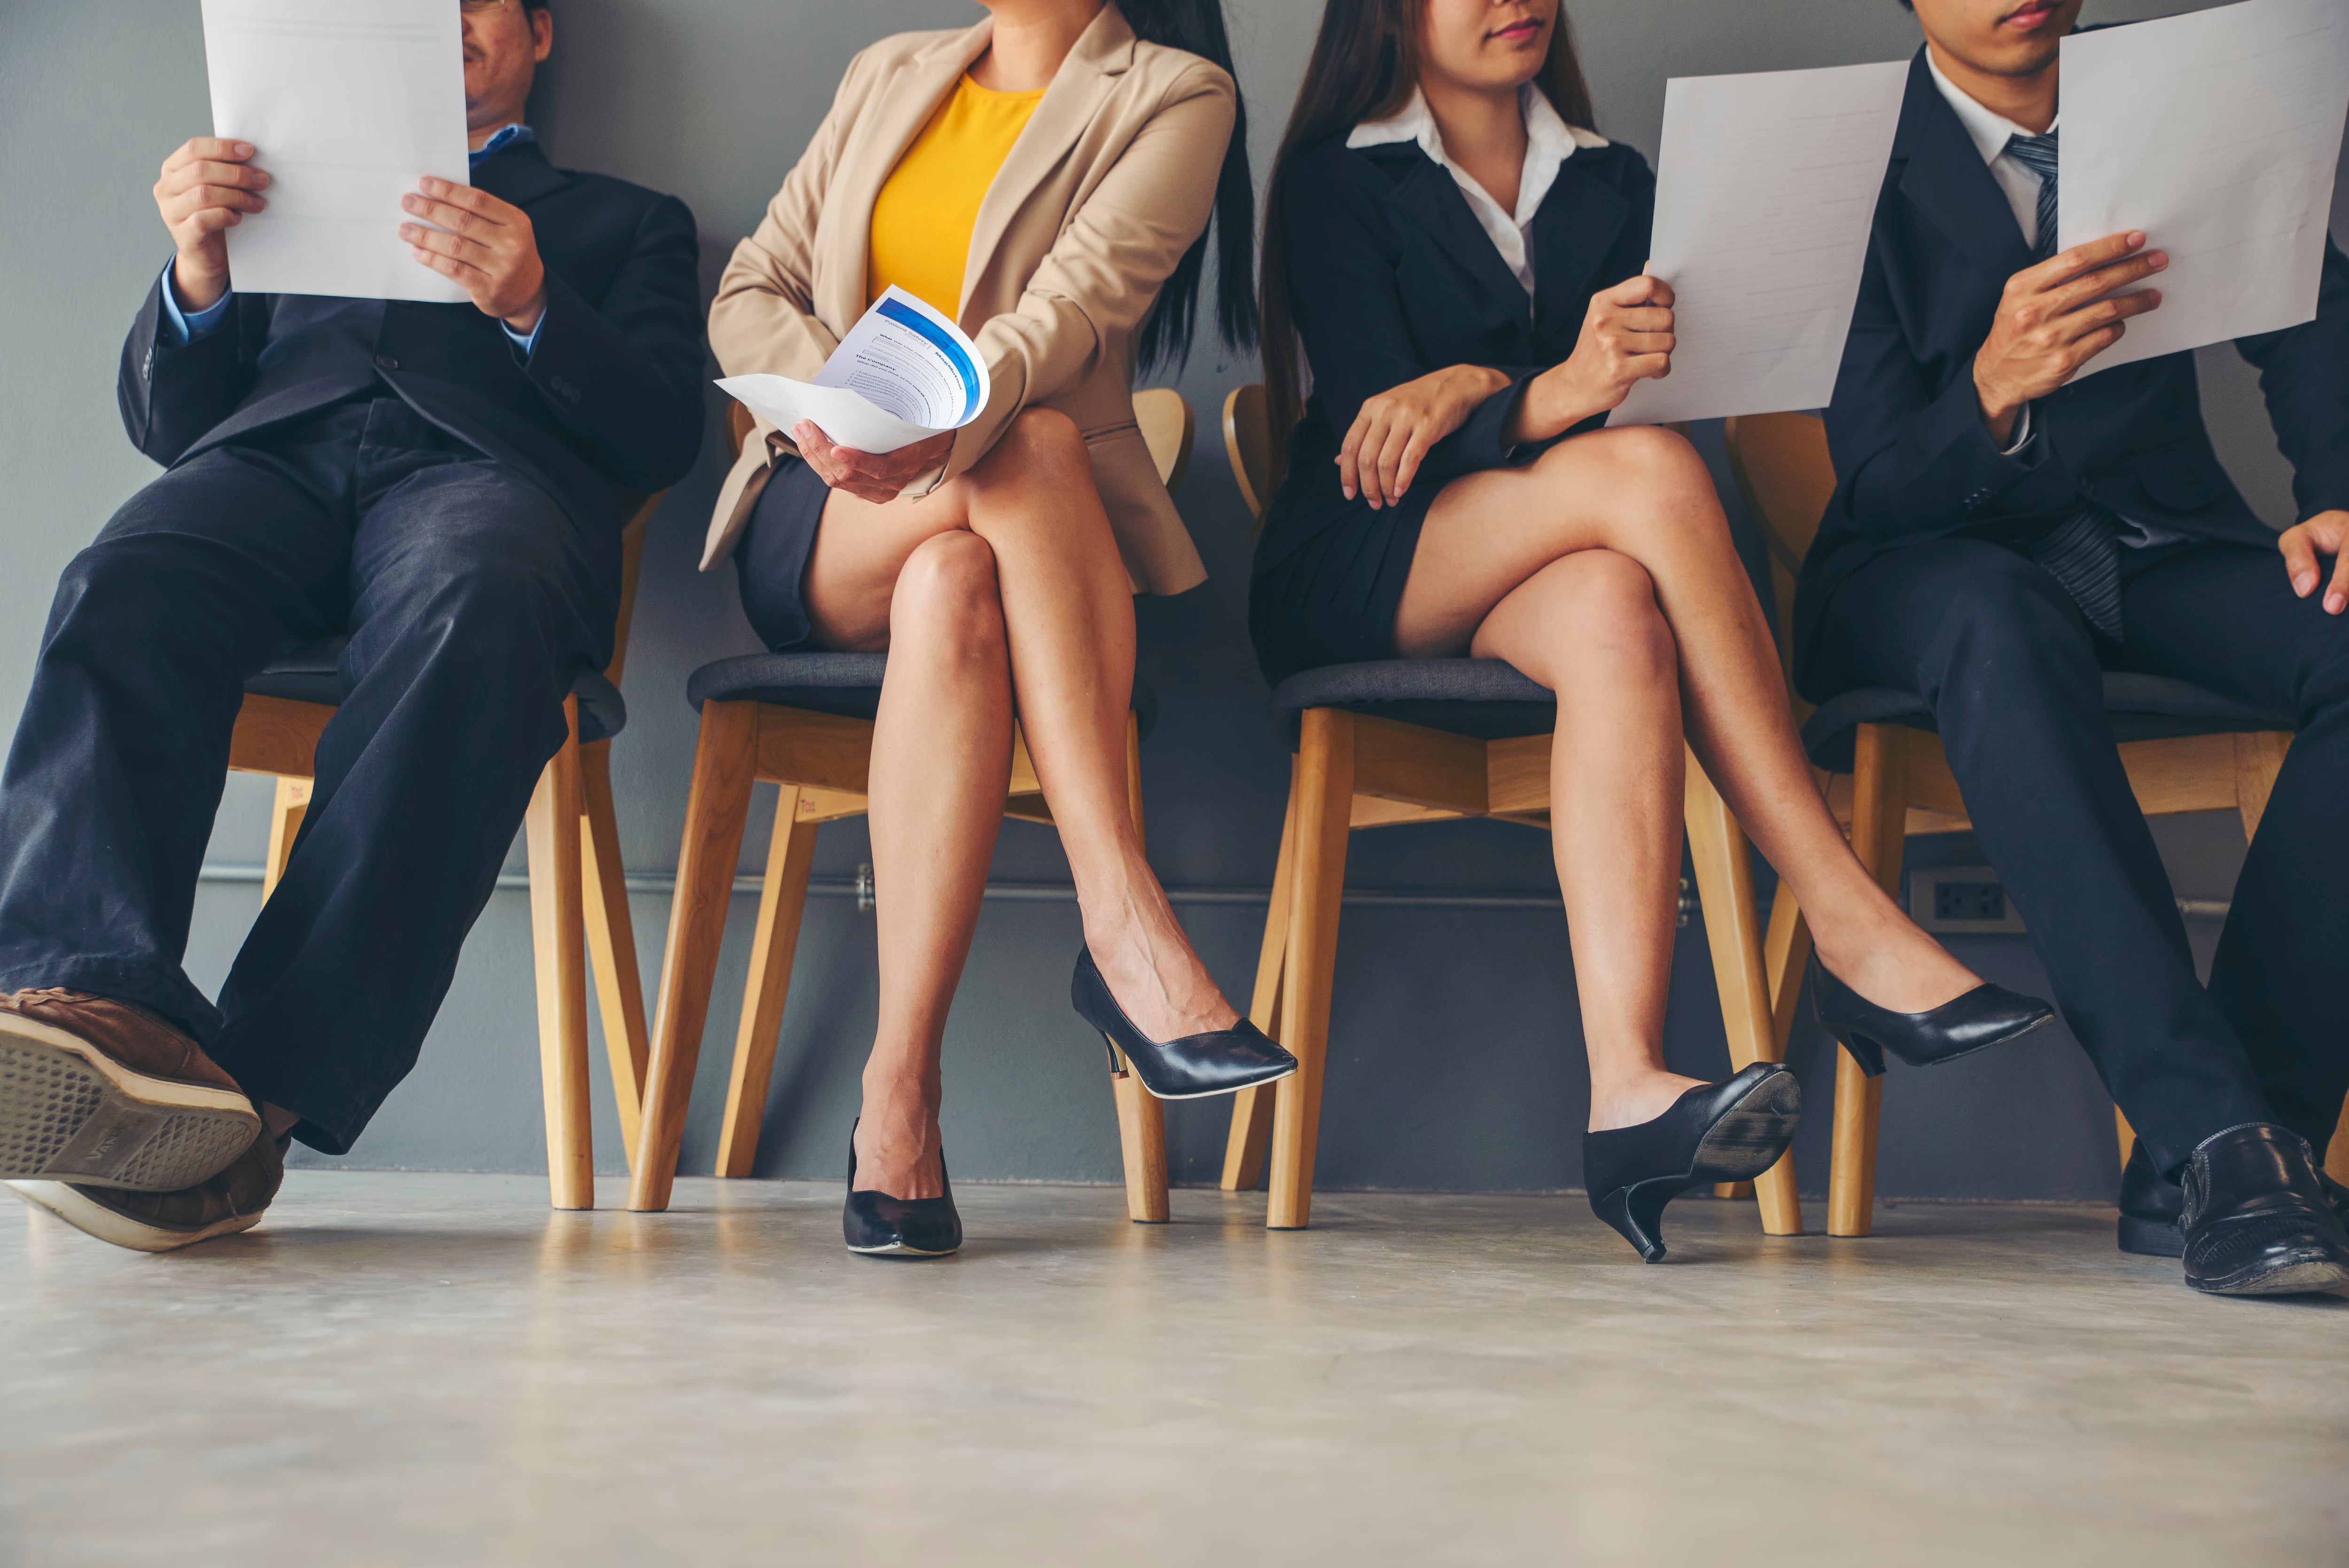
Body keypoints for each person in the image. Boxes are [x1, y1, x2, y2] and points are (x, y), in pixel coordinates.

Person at [1249, 0, 2053, 1265]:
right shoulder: (1333, 179)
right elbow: (1376, 442)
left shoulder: (1614, 183)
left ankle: (1627, 1089)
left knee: (1623, 604)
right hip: (1363, 557)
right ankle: (1841, 907)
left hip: (1549, 556)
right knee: (1656, 475)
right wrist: (1540, 392)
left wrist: (1502, 393)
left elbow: (1646, 396)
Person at [0, 0, 705, 1251]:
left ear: (540, 34)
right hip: (276, 465)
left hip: (482, 482)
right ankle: (76, 994)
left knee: (471, 601)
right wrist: (201, 273)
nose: (446, 23)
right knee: (125, 573)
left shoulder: (625, 221)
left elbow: (661, 434)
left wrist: (535, 300)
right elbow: (166, 425)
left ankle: (254, 1099)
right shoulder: (285, 188)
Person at [706, 0, 1294, 1259]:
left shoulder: (1175, 95)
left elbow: (1074, 317)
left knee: (961, 574)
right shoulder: (889, 73)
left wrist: (948, 424)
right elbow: (752, 283)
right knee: (1016, 455)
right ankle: (1120, 913)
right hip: (829, 510)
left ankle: (897, 1101)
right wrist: (844, 397)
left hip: (1002, 525)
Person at [1799, 0, 2349, 1295]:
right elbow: (1873, 478)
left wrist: (2338, 488)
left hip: (2150, 545)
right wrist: (1989, 386)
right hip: (1917, 563)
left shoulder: (2179, 113)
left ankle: (2221, 1149)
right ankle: (2218, 1133)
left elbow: (2317, 318)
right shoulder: (1846, 163)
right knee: (2000, 614)